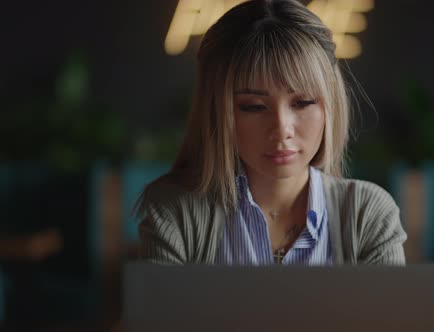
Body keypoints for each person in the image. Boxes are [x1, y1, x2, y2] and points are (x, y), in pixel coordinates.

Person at [136, 0, 407, 266]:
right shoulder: (175, 211)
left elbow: (395, 313)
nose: (281, 130)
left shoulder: (368, 214)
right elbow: (154, 313)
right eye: (253, 107)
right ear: (216, 113)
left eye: (303, 103)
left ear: (330, 105)